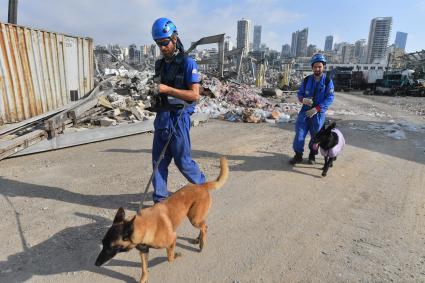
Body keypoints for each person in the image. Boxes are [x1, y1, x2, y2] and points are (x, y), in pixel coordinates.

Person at [150, 18, 205, 203]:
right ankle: (159, 201)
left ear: (174, 38)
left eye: (165, 43)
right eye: (158, 44)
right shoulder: (160, 64)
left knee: (183, 162)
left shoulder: (188, 64)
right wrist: (155, 94)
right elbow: (160, 90)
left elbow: (195, 95)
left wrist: (168, 90)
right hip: (162, 118)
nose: (162, 47)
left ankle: (202, 187)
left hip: (179, 118)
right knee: (158, 163)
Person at [289, 53, 335, 165]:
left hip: (318, 113)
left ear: (323, 67)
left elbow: (330, 97)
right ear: (312, 67)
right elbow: (300, 93)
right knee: (299, 134)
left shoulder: (328, 81)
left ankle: (312, 155)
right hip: (305, 111)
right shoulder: (306, 80)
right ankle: (298, 155)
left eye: (320, 66)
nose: (317, 69)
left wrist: (317, 108)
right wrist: (303, 100)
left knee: (316, 136)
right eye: (315, 67)